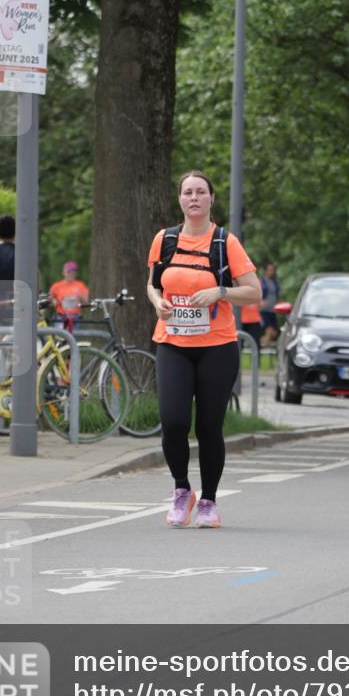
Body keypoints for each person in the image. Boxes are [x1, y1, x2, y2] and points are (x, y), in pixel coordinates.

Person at [147, 170, 262, 528]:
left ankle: (209, 500)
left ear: (211, 198)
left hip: (217, 346)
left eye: (200, 192)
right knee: (173, 421)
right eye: (187, 192)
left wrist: (220, 292)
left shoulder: (225, 243)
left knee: (209, 426)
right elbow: (152, 284)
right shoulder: (164, 240)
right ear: (180, 200)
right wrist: (156, 302)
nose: (194, 198)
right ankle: (183, 491)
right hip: (174, 343)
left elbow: (255, 292)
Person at [49, 261, 89, 331]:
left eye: (73, 272)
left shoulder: (80, 285)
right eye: (68, 272)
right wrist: (55, 301)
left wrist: (80, 296)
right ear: (64, 272)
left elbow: (87, 301)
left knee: (72, 338)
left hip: (75, 317)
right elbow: (50, 300)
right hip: (61, 316)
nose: (70, 274)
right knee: (60, 337)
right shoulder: (56, 286)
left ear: (75, 274)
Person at [260, 261, 280, 346]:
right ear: (265, 271)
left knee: (274, 333)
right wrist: (260, 301)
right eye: (270, 270)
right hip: (264, 310)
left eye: (273, 270)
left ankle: (257, 343)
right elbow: (257, 294)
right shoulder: (262, 282)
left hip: (272, 310)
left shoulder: (275, 282)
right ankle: (260, 349)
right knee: (269, 331)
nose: (272, 272)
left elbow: (276, 296)